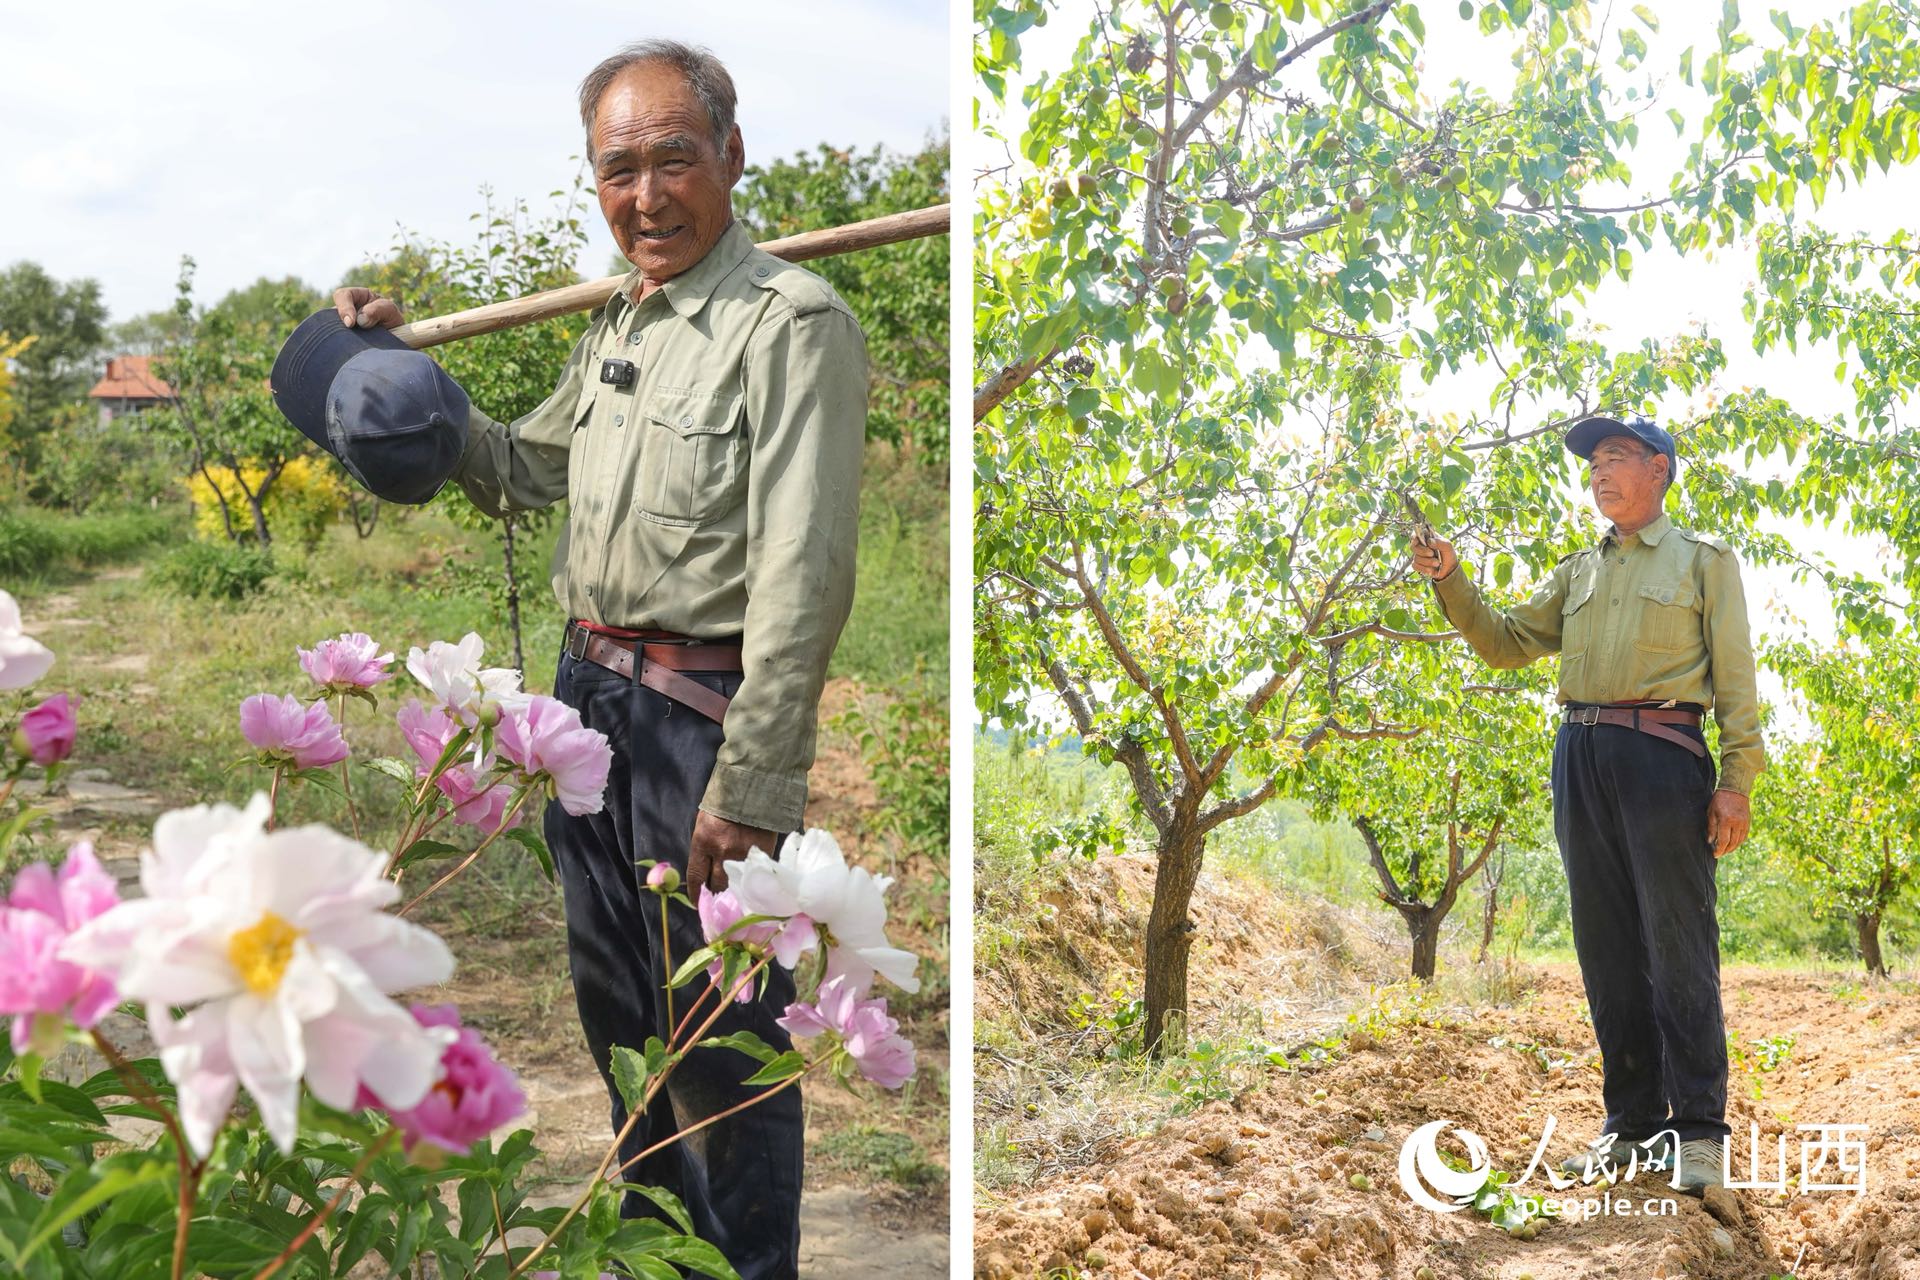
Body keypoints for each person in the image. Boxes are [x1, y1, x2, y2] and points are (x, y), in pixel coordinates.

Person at [331, 40, 867, 1280]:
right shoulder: (619, 323)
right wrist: (398, 379)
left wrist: (756, 781)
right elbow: (522, 468)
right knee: (623, 1025)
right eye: (617, 168)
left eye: (674, 158)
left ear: (732, 157)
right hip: (588, 713)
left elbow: (807, 572)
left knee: (723, 1050)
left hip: (700, 727)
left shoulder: (790, 326)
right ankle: (651, 1259)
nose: (647, 195)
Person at [1410, 416, 1762, 1195]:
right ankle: (1631, 1128)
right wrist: (1450, 578)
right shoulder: (1577, 572)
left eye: (1615, 459)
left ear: (1659, 470)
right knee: (1605, 949)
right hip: (1580, 755)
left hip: (1663, 754)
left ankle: (1700, 1134)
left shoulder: (1704, 562)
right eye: (1593, 463)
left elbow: (1736, 680)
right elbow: (1504, 642)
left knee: (1678, 944)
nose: (1599, 474)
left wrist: (1735, 780)